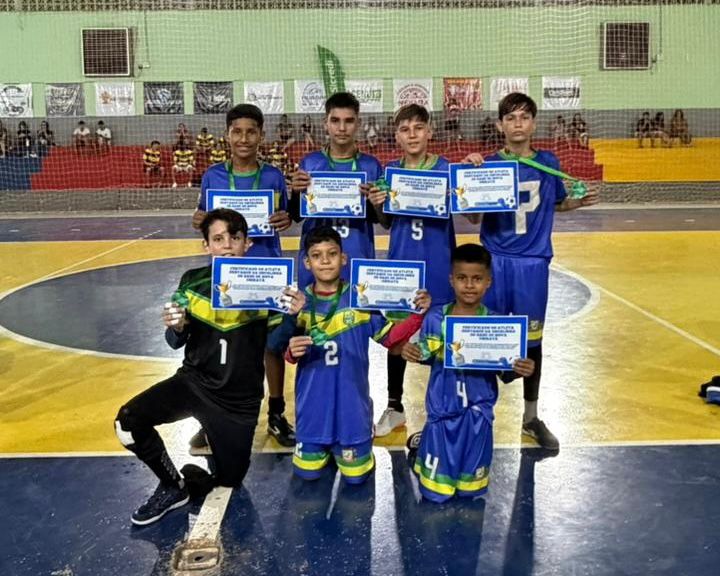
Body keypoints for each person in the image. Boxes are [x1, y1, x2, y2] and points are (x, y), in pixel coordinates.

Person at [114, 208, 306, 525]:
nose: (227, 245)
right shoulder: (192, 281)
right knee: (127, 422)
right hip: (193, 385)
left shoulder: (269, 287)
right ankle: (172, 486)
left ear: (247, 244)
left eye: (235, 237)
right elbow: (174, 341)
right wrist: (177, 326)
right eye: (218, 239)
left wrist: (292, 315)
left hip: (239, 402)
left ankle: (211, 456)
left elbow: (275, 343)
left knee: (230, 480)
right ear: (206, 245)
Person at [468, 92, 598, 450]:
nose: (518, 124)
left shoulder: (548, 163)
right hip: (495, 261)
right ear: (500, 125)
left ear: (534, 123)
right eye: (510, 118)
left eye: (524, 117)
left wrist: (577, 202)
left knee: (532, 341)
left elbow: (558, 204)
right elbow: (473, 217)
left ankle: (531, 417)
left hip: (532, 263)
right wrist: (470, 180)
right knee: (486, 340)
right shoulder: (488, 164)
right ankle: (479, 414)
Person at [269, 226, 431, 483]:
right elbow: (283, 351)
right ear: (307, 263)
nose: (325, 261)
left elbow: (390, 339)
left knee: (357, 479)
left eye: (332, 254)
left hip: (352, 409)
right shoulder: (298, 303)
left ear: (343, 258)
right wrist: (291, 351)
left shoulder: (360, 299)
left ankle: (356, 441)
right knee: (307, 476)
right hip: (312, 409)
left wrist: (418, 315)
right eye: (317, 255)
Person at [192, 103, 295, 447]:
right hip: (227, 275)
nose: (244, 138)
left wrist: (286, 219)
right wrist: (198, 220)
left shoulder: (274, 176)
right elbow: (204, 219)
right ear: (227, 135)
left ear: (261, 135)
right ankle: (214, 418)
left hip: (267, 271)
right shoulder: (212, 176)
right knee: (225, 346)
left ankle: (276, 413)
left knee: (271, 345)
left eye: (251, 132)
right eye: (237, 131)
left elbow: (285, 215)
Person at [402, 244, 535, 502]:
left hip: (478, 416)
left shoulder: (498, 325)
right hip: (443, 413)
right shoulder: (436, 318)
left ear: (488, 282)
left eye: (477, 279)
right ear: (451, 280)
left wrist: (521, 369)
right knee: (436, 494)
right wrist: (411, 351)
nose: (470, 285)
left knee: (469, 492)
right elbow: (425, 354)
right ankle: (422, 450)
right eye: (462, 278)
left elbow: (505, 373)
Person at [366, 104, 456, 437]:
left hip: (439, 267)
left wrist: (469, 180)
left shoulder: (446, 170)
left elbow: (472, 213)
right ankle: (394, 407)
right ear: (397, 136)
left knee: (439, 338)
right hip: (402, 267)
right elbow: (387, 222)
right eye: (405, 129)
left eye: (418, 128)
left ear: (429, 132)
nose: (412, 134)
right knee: (398, 337)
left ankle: (439, 411)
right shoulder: (390, 172)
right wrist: (377, 203)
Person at [290, 91, 384, 290]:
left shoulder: (371, 165)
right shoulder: (310, 163)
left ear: (358, 124)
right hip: (317, 258)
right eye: (335, 121)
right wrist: (296, 192)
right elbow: (297, 216)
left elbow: (380, 221)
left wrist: (374, 202)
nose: (342, 128)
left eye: (349, 121)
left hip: (357, 255)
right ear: (325, 123)